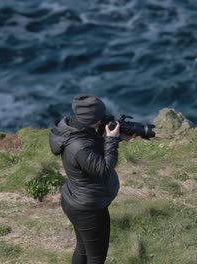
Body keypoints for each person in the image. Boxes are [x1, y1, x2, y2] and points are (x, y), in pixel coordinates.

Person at [49, 94, 135, 264]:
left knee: (83, 248)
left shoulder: (77, 130)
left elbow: (93, 151)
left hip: (75, 200)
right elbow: (103, 170)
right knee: (96, 258)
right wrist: (111, 140)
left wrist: (112, 137)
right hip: (88, 208)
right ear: (93, 118)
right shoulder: (80, 145)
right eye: (100, 116)